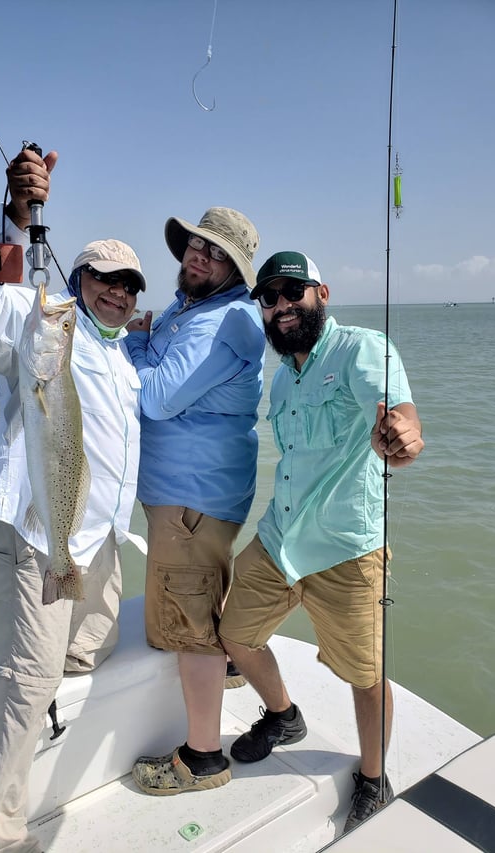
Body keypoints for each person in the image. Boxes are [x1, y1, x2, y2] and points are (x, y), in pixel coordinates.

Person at [0, 147, 145, 852]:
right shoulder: (37, 317)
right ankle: (1, 833)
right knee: (29, 680)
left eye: (128, 285)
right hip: (34, 530)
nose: (115, 292)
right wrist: (14, 217)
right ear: (78, 277)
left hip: (95, 537)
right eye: (103, 279)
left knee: (82, 653)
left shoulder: (118, 352)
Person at [217, 251, 425, 831]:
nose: (282, 306)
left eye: (293, 292)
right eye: (270, 297)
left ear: (321, 293)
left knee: (365, 675)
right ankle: (283, 715)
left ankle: (373, 776)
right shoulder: (280, 380)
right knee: (234, 633)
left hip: (347, 549)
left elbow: (402, 420)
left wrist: (402, 438)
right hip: (280, 538)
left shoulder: (363, 349)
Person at [124, 207, 265, 794]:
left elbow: (155, 398)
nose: (199, 256)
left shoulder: (225, 321)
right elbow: (166, 377)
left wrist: (133, 344)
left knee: (187, 629)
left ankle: (203, 758)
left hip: (191, 499)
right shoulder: (192, 309)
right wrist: (150, 346)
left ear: (236, 269)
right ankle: (229, 670)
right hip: (187, 496)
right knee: (196, 604)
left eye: (217, 253)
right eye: (196, 245)